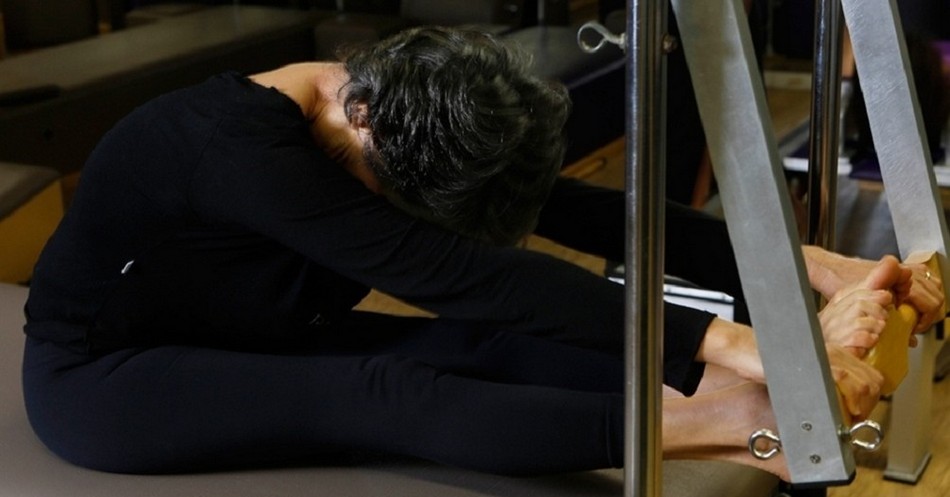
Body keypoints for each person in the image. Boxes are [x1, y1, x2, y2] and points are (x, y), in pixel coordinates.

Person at [21, 27, 942, 482]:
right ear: (359, 118)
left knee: (489, 346)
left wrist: (810, 267)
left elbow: (577, 212)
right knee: (380, 390)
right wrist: (751, 347)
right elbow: (469, 276)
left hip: (256, 330)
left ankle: (745, 398)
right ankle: (737, 422)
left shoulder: (397, 116)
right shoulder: (234, 148)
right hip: (105, 378)